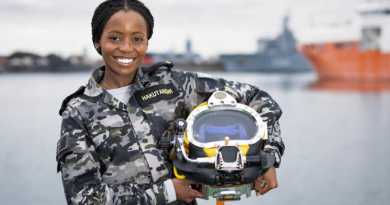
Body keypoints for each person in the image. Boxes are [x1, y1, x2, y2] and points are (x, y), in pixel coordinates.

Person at [56, 0, 285, 204]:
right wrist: (168, 192)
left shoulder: (175, 85)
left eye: (137, 39)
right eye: (114, 38)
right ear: (97, 42)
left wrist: (269, 156)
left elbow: (259, 99)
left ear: (146, 43)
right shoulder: (79, 111)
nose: (126, 48)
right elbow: (83, 198)